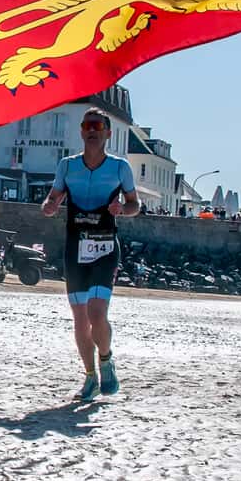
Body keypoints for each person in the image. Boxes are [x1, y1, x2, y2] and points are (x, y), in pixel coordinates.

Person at [41, 108, 139, 401]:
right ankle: (89, 377)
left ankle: (106, 359)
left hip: (106, 247)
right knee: (80, 318)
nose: (92, 130)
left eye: (98, 126)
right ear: (82, 132)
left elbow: (135, 204)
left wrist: (123, 209)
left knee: (97, 313)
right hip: (75, 248)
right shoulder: (68, 166)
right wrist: (49, 206)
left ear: (108, 133)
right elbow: (53, 196)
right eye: (87, 126)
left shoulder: (120, 167)